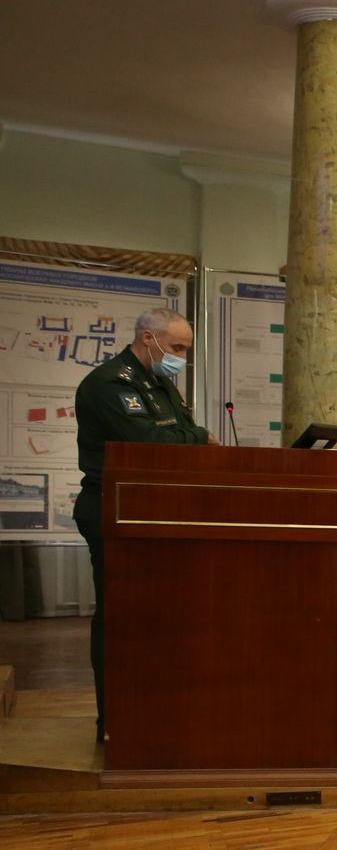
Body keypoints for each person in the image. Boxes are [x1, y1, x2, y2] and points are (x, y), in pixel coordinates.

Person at [74, 308, 218, 742]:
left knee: (162, 617)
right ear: (148, 338)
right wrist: (200, 439)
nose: (180, 358)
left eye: (186, 350)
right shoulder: (109, 383)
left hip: (159, 508)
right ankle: (115, 723)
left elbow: (180, 433)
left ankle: (161, 714)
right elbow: (149, 442)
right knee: (122, 616)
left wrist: (193, 439)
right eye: (177, 348)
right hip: (116, 509)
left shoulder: (159, 383)